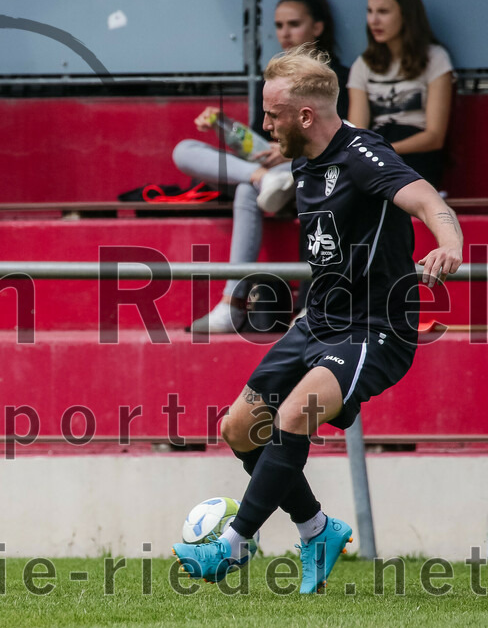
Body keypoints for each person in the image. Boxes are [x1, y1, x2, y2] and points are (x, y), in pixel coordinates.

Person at [173, 45, 462, 593]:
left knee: (294, 414)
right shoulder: (303, 155)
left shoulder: (363, 154)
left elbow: (427, 199)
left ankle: (234, 541)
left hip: (378, 326)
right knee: (238, 428)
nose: (263, 124)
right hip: (319, 320)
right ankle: (317, 529)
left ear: (306, 115)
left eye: (272, 114)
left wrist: (449, 244)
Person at [175, 0, 350, 333]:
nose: (284, 33)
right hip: (270, 171)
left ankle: (231, 304)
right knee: (184, 150)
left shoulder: (336, 79)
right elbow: (260, 137)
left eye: (294, 23)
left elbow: (340, 137)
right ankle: (258, 178)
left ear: (317, 28)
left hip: (305, 167)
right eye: (279, 25)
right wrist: (224, 127)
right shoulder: (272, 77)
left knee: (244, 191)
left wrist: (288, 149)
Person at [347, 0, 453, 189]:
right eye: (370, 11)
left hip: (416, 156)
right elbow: (356, 132)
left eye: (383, 12)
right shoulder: (363, 64)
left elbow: (434, 137)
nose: (373, 20)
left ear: (406, 15)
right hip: (375, 153)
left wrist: (387, 150)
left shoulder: (435, 58)